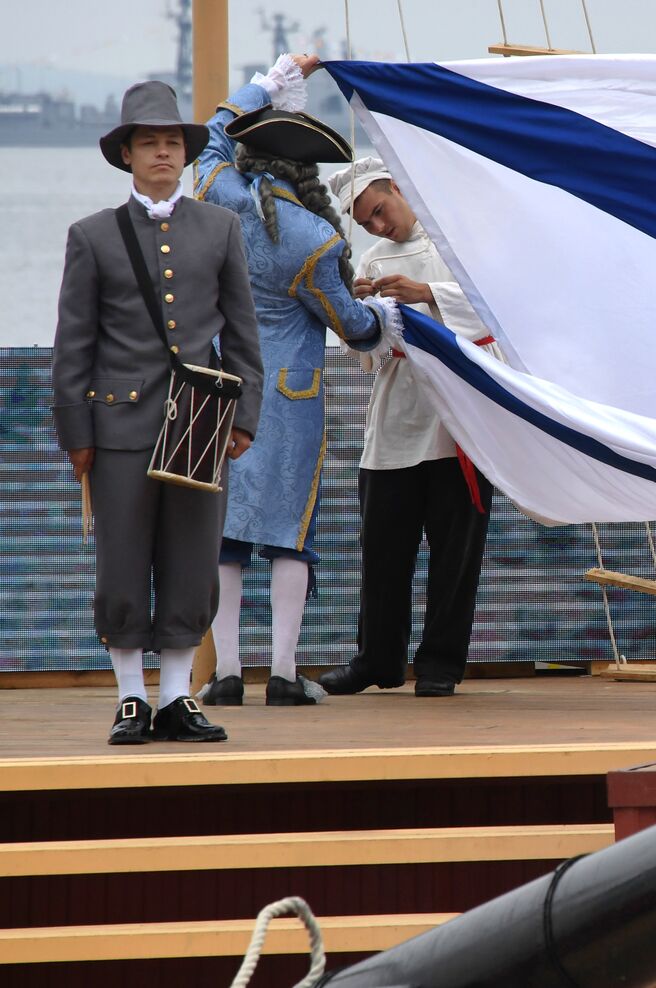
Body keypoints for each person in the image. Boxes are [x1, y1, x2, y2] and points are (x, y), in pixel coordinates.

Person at [52, 79, 262, 743]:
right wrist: (75, 434)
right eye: (149, 142)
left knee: (193, 557)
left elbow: (243, 334)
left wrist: (246, 416)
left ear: (185, 152)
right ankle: (129, 697)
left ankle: (176, 694)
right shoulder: (92, 236)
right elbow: (73, 345)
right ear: (128, 155)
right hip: (117, 426)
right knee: (120, 560)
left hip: (201, 421)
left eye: (172, 141)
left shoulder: (222, 228)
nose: (163, 153)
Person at [196, 55, 397, 707]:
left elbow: (208, 141)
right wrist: (384, 316)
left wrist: (260, 87)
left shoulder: (224, 197)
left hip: (225, 393)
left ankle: (227, 672)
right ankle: (283, 673)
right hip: (290, 397)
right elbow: (353, 326)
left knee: (225, 535)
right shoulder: (315, 237)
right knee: (289, 534)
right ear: (305, 169)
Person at [317, 158, 504, 698]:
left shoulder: (457, 246)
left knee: (455, 555)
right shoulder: (373, 260)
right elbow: (370, 351)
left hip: (458, 423)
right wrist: (360, 315)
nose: (377, 227)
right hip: (396, 419)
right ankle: (378, 658)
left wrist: (425, 295)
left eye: (379, 211)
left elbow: (498, 313)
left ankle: (441, 663)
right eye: (366, 222)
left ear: (397, 187)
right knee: (382, 551)